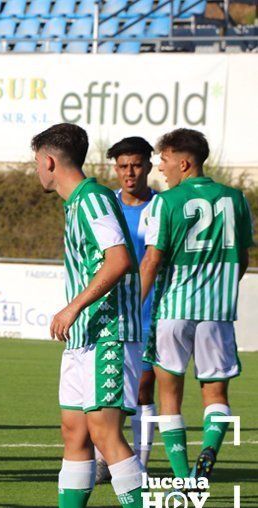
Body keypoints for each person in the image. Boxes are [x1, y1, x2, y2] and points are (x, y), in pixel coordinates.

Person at [23, 123, 165, 508]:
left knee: (105, 433)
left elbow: (120, 259)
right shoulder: (76, 204)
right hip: (84, 338)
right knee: (74, 432)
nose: (37, 171)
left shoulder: (92, 199)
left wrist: (73, 306)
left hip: (109, 334)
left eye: (36, 163)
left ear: (48, 161)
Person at [141, 128, 253, 483]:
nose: (161, 167)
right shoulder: (236, 198)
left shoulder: (166, 201)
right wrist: (219, 289)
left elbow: (153, 259)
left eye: (165, 159)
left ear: (185, 162)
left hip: (174, 309)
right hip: (217, 313)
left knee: (169, 393)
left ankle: (182, 479)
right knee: (216, 392)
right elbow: (243, 259)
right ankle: (209, 452)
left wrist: (132, 305)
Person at [94, 137, 158, 484]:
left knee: (142, 389)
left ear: (148, 165)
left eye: (135, 165)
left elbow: (157, 260)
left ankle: (141, 463)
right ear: (115, 169)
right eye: (123, 166)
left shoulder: (161, 207)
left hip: (150, 312)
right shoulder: (108, 206)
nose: (129, 172)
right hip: (111, 312)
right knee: (109, 387)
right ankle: (105, 457)